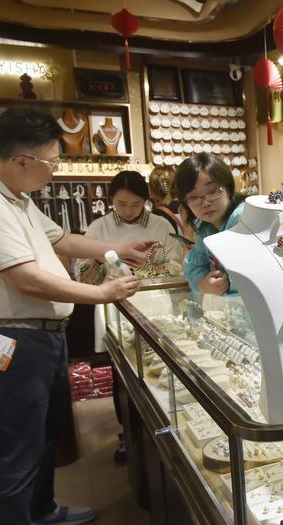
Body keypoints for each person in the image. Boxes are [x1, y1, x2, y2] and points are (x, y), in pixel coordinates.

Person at [0, 107, 152, 525]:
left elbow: (63, 241)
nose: (54, 171)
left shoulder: (16, 198)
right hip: (13, 340)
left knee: (43, 433)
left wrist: (119, 249)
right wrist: (100, 294)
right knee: (17, 443)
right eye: (52, 163)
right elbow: (26, 279)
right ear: (21, 160)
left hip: (40, 338)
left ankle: (40, 509)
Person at [76, 170, 183, 465]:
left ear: (146, 201)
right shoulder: (99, 227)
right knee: (121, 373)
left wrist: (147, 266)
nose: (128, 211)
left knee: (156, 369)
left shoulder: (161, 225)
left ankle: (163, 428)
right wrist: (102, 262)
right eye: (121, 204)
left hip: (156, 307)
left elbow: (177, 266)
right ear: (111, 200)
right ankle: (126, 432)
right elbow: (82, 274)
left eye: (135, 204)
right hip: (115, 307)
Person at [176, 153, 245, 296]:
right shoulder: (204, 226)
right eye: (194, 197)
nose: (206, 203)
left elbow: (245, 279)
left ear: (228, 187)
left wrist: (224, 288)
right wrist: (203, 284)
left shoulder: (241, 218)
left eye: (213, 191)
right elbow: (193, 266)